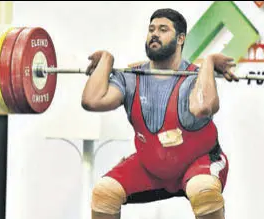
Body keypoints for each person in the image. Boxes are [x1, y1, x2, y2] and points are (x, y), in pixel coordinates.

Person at [81, 8, 238, 219]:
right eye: (151, 29)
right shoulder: (131, 78)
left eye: (163, 29)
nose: (154, 34)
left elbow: (203, 107)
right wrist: (106, 61)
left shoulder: (195, 77)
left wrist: (208, 62)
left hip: (199, 162)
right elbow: (92, 101)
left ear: (181, 38)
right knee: (104, 194)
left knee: (204, 192)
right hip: (151, 167)